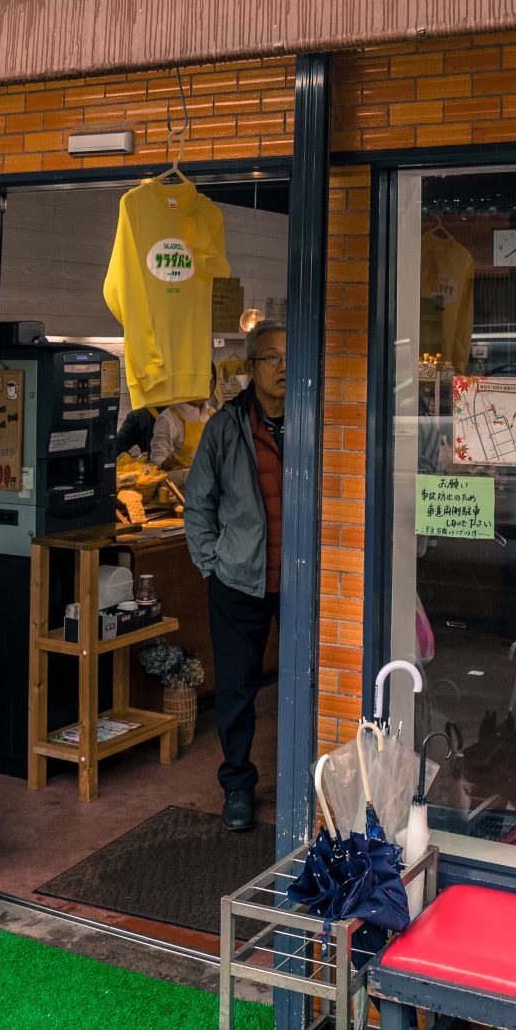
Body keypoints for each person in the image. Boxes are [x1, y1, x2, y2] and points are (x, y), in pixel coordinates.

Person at [183, 323, 287, 833]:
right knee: (237, 687)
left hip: (301, 582)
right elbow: (198, 503)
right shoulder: (225, 427)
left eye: (291, 357)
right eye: (272, 358)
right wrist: (213, 563)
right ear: (250, 367)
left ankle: (311, 775)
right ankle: (238, 786)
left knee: (309, 681)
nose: (284, 367)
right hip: (239, 580)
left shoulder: (314, 420)